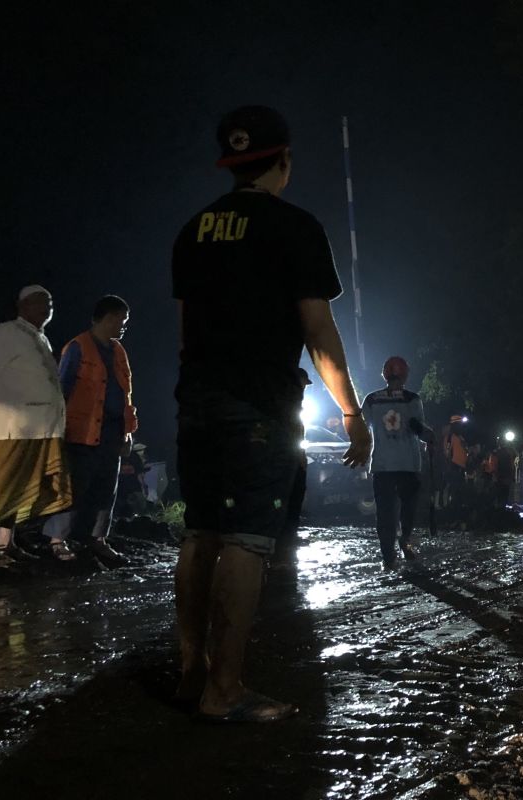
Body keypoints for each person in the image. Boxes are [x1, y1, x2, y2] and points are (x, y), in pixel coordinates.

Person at [170, 106, 371, 723]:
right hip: (258, 404)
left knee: (200, 533)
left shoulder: (192, 230)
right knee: (247, 543)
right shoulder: (295, 228)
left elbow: (186, 332)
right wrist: (351, 413)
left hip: (196, 400)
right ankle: (224, 690)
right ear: (282, 161)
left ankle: (189, 670)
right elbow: (318, 332)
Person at [0, 286, 73, 564]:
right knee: (0, 485)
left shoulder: (41, 340)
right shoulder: (7, 333)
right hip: (11, 427)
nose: (47, 308)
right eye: (40, 302)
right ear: (22, 305)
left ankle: (6, 544)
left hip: (39, 429)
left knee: (20, 487)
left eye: (50, 303)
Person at [42, 295, 138, 565]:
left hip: (111, 432)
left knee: (106, 488)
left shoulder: (119, 351)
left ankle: (96, 539)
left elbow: (126, 395)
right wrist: (56, 430)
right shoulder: (78, 347)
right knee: (72, 487)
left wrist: (127, 432)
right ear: (107, 318)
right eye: (121, 320)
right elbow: (61, 390)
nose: (123, 326)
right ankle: (57, 541)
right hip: (81, 431)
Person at [363, 357, 428, 569]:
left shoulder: (371, 400)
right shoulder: (412, 399)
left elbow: (363, 427)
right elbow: (419, 428)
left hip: (381, 465)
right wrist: (430, 435)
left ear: (384, 375)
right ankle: (405, 540)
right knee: (407, 509)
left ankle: (388, 555)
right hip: (408, 465)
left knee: (385, 512)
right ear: (406, 375)